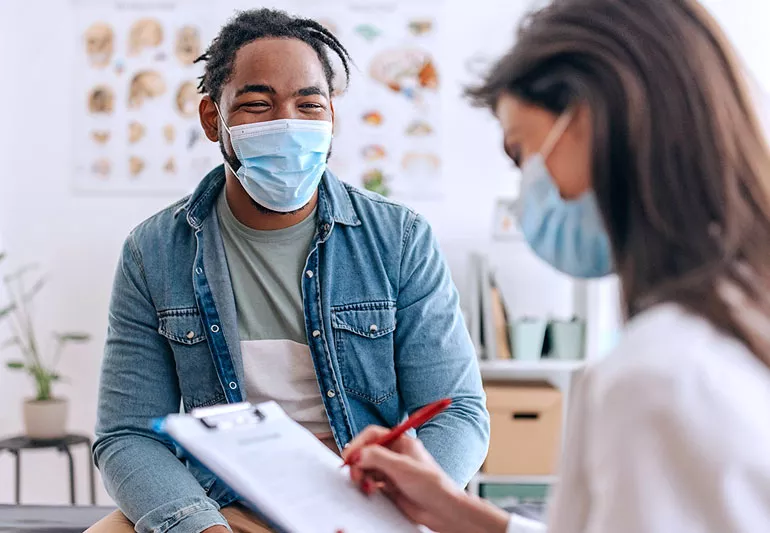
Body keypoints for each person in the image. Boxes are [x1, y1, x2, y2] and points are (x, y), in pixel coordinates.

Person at [342, 0, 770, 531]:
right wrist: (453, 510)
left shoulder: (661, 377)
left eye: (522, 155)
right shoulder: (739, 311)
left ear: (590, 122)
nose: (524, 193)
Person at [88, 9, 489, 533]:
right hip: (222, 506)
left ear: (331, 118)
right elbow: (127, 434)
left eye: (309, 105)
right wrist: (200, 527)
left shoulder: (400, 240)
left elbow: (457, 413)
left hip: (368, 503)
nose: (289, 124)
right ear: (214, 120)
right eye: (258, 105)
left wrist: (391, 509)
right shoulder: (153, 251)